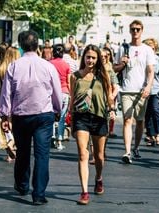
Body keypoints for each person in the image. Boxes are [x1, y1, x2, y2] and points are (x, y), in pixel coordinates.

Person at [0, 30, 62, 205]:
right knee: (42, 155)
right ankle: (39, 194)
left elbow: (6, 93)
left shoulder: (14, 66)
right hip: (43, 114)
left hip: (21, 115)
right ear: (38, 46)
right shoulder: (48, 66)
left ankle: (22, 184)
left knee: (23, 152)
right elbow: (57, 91)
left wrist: (5, 115)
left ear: (21, 45)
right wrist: (58, 109)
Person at [69, 44, 115, 205]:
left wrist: (112, 109)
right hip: (81, 117)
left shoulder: (104, 75)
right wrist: (69, 117)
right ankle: (84, 191)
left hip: (99, 116)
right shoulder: (75, 76)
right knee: (83, 154)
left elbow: (109, 95)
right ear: (84, 58)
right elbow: (72, 98)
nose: (90, 60)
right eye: (88, 57)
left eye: (93, 58)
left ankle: (98, 177)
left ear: (98, 60)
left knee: (99, 156)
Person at [114, 20, 155, 163]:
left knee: (139, 121)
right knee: (127, 120)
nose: (135, 32)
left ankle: (136, 147)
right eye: (133, 29)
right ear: (129, 31)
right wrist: (122, 63)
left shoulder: (147, 50)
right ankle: (127, 151)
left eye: (138, 29)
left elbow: (150, 71)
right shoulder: (123, 48)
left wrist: (148, 86)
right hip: (126, 89)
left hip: (141, 90)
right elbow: (114, 68)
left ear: (142, 30)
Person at [0, 46, 21, 162]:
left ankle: (9, 150)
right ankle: (13, 144)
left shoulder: (1, 68)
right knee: (17, 126)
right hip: (17, 99)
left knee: (6, 126)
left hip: (3, 99)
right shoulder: (19, 69)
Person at [50, 44, 71, 151]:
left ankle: (52, 136)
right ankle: (59, 140)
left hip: (52, 92)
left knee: (52, 116)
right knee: (62, 118)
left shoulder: (49, 64)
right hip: (64, 92)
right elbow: (68, 81)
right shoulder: (66, 65)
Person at [143, 38, 159, 146]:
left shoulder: (158, 59)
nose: (151, 51)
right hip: (144, 88)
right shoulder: (143, 58)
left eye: (153, 49)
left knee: (156, 110)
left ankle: (158, 134)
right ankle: (150, 135)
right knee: (147, 113)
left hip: (155, 88)